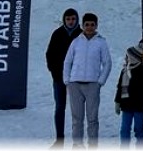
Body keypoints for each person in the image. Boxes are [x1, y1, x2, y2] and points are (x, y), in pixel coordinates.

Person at [63, 12, 112, 148]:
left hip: (92, 85)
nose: (89, 27)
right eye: (87, 25)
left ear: (96, 26)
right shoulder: (76, 42)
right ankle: (77, 145)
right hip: (75, 85)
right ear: (82, 25)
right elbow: (67, 62)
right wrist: (67, 80)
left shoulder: (101, 42)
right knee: (77, 119)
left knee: (92, 118)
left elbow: (107, 63)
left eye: (92, 25)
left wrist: (100, 81)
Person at [46, 8, 82, 144]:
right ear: (64, 20)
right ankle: (59, 139)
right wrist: (55, 73)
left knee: (77, 110)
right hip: (59, 78)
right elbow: (50, 55)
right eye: (68, 19)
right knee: (60, 107)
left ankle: (77, 141)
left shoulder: (82, 34)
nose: (71, 21)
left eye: (73, 19)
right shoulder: (57, 34)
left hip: (77, 79)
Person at [115, 42, 143, 147]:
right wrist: (117, 102)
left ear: (134, 58)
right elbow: (120, 87)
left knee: (139, 128)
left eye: (128, 56)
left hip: (139, 106)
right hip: (126, 105)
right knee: (125, 128)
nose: (126, 58)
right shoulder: (124, 71)